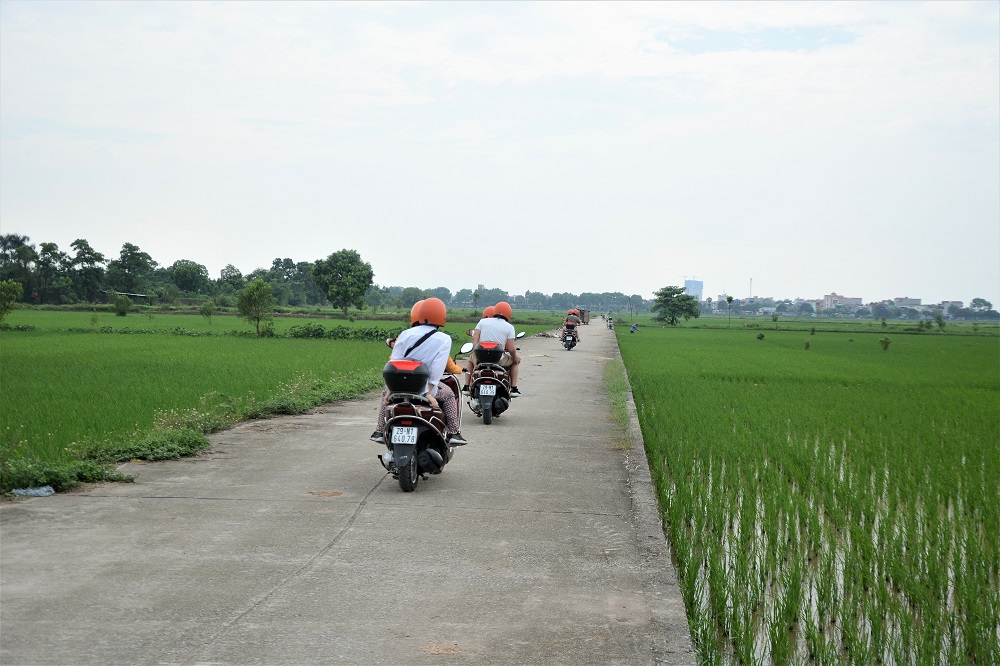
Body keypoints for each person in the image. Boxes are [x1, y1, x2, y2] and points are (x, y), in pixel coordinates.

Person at [372, 298, 467, 446]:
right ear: (442, 316)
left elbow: (394, 362)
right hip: (423, 389)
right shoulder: (444, 339)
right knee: (448, 395)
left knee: (384, 395)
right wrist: (429, 392)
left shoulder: (405, 334)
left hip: (399, 387)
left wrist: (390, 389)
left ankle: (379, 431)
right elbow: (437, 368)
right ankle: (454, 433)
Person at [465, 301, 521, 395]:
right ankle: (514, 388)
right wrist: (515, 357)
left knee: (470, 361)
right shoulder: (510, 327)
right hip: (498, 359)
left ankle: (466, 386)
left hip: (481, 357)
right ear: (508, 313)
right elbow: (511, 348)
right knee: (514, 363)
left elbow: (475, 338)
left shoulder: (482, 322)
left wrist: (475, 353)